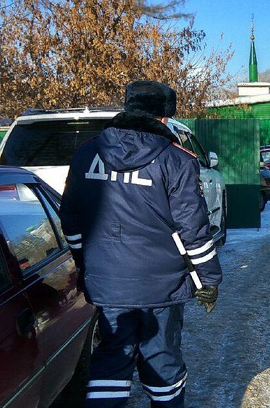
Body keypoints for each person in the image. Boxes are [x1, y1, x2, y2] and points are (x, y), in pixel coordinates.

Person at [59, 80, 222, 408]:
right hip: (160, 286)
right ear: (164, 117)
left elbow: (71, 220)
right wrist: (209, 280)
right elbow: (193, 229)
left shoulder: (86, 153)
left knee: (111, 356)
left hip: (107, 283)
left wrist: (84, 262)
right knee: (161, 358)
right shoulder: (178, 160)